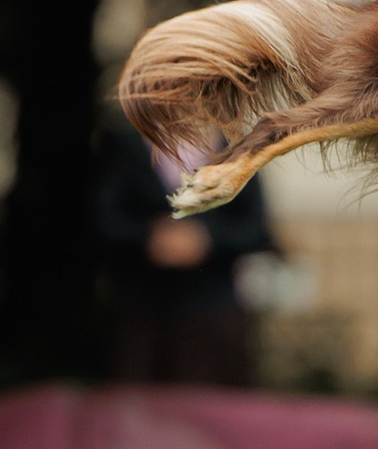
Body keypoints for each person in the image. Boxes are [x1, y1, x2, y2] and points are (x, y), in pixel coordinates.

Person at [93, 116, 269, 385]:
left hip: (211, 313)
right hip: (138, 314)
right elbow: (103, 220)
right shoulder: (124, 144)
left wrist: (206, 238)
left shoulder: (238, 150)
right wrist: (150, 237)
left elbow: (255, 228)